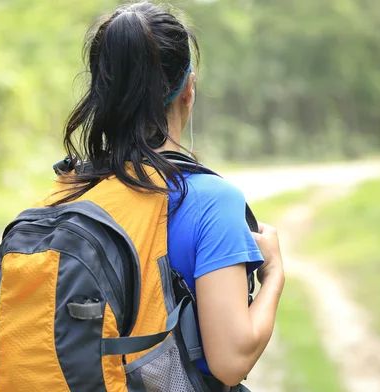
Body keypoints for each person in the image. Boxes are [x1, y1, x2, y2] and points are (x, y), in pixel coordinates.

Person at [53, 1, 285, 388]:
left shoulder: (68, 191)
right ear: (188, 90)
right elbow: (231, 360)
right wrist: (274, 274)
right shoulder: (213, 202)